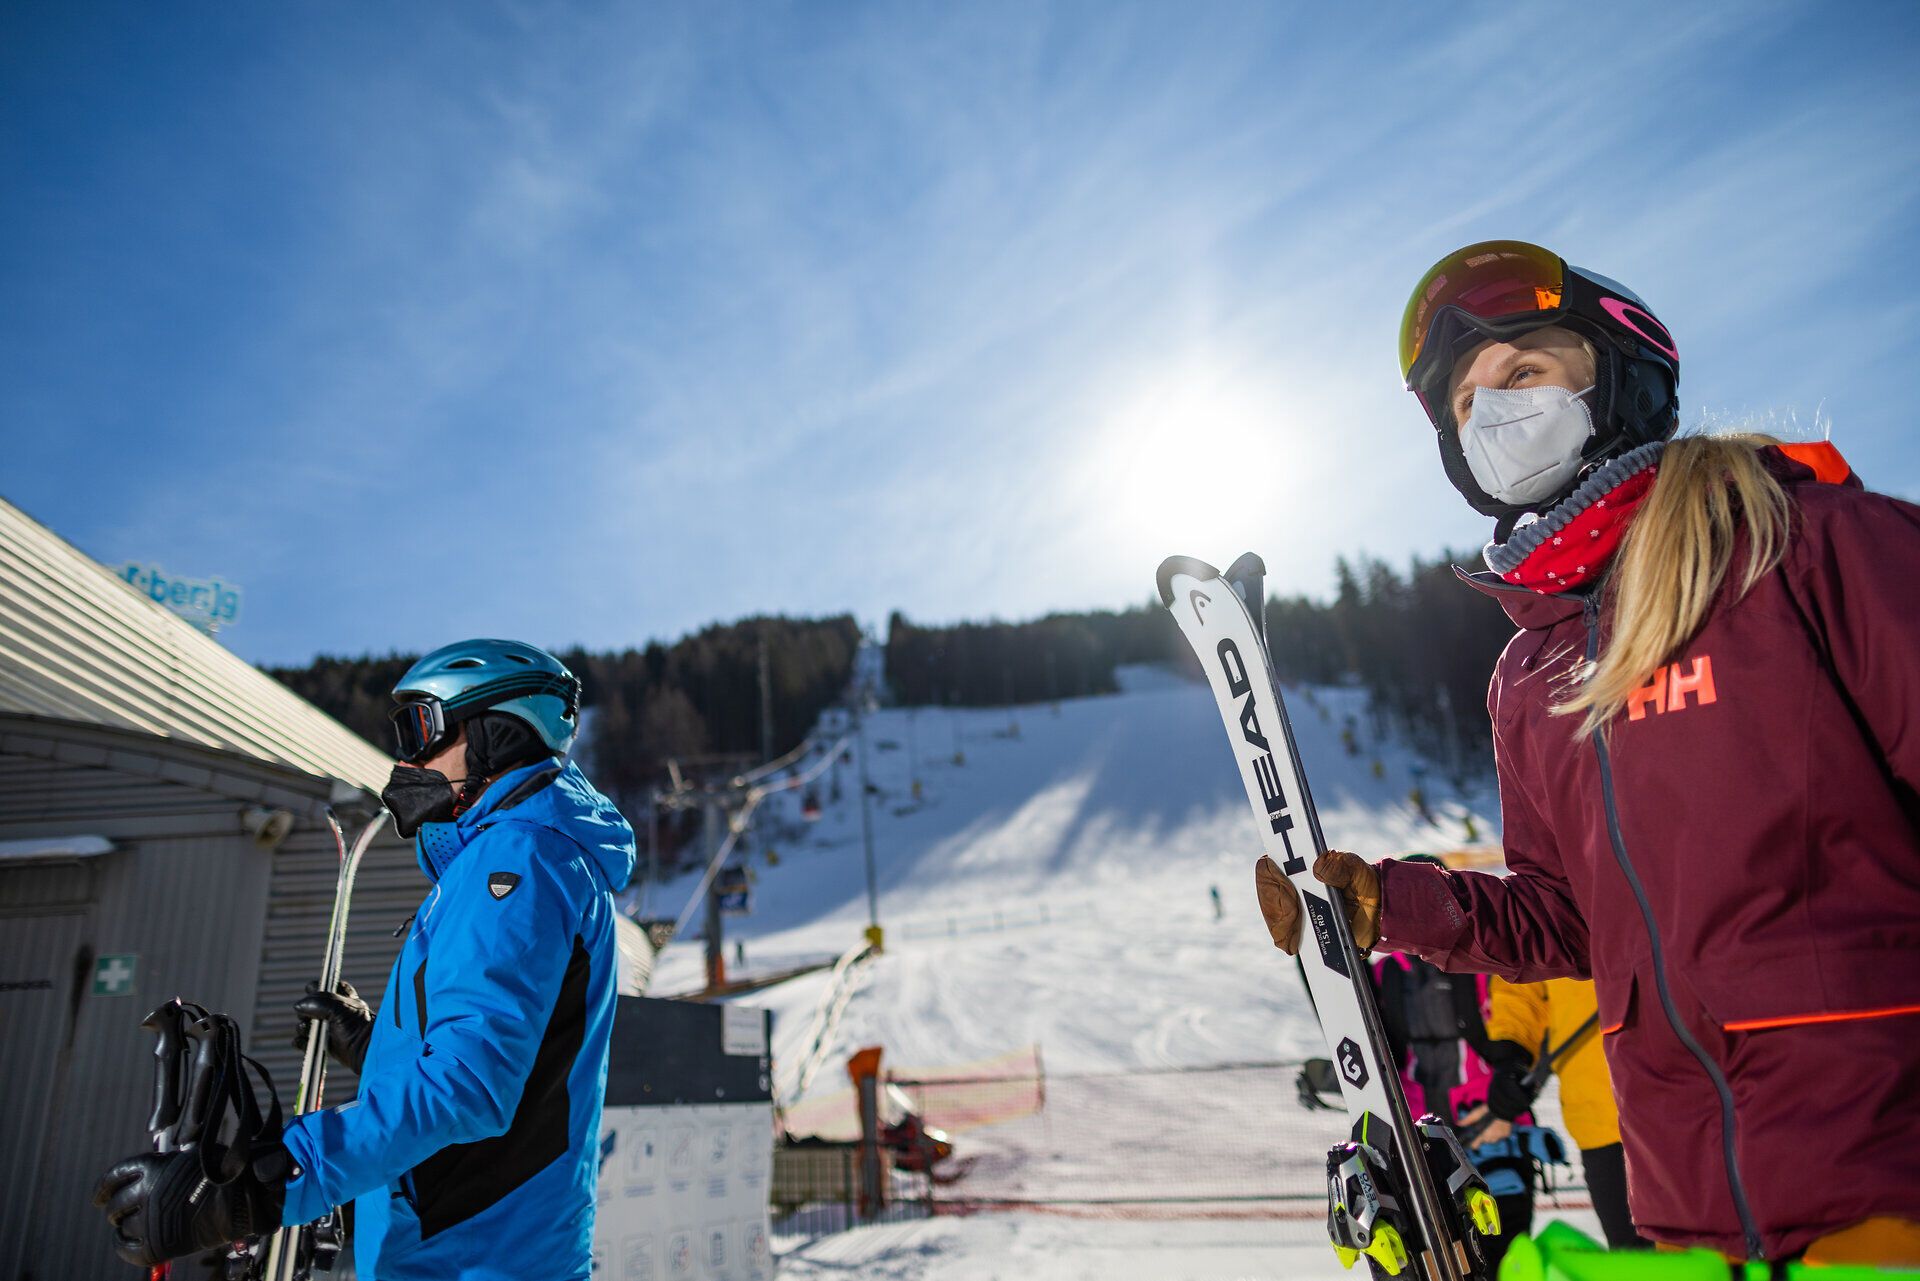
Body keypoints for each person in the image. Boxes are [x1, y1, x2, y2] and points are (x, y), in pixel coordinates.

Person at [1256, 240, 1920, 1266]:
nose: (1494, 415)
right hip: (1690, 1208)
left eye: (1522, 371)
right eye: (1467, 405)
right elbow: (1567, 919)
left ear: (1619, 373)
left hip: (1886, 1181)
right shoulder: (1531, 674)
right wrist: (1392, 904)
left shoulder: (1809, 545)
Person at [95, 640, 637, 1280]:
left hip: (475, 1257)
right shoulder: (515, 859)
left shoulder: (517, 862)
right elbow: (511, 1057)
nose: (407, 758)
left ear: (499, 734)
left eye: (422, 728)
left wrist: (272, 1181)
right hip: (463, 1245)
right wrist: (376, 1047)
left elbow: (468, 1086)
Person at [1472, 976, 1644, 1250]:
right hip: (1603, 1120)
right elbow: (1521, 987)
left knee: (1711, 1254)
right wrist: (1512, 1056)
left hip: (1697, 1112)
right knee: (1639, 1259)